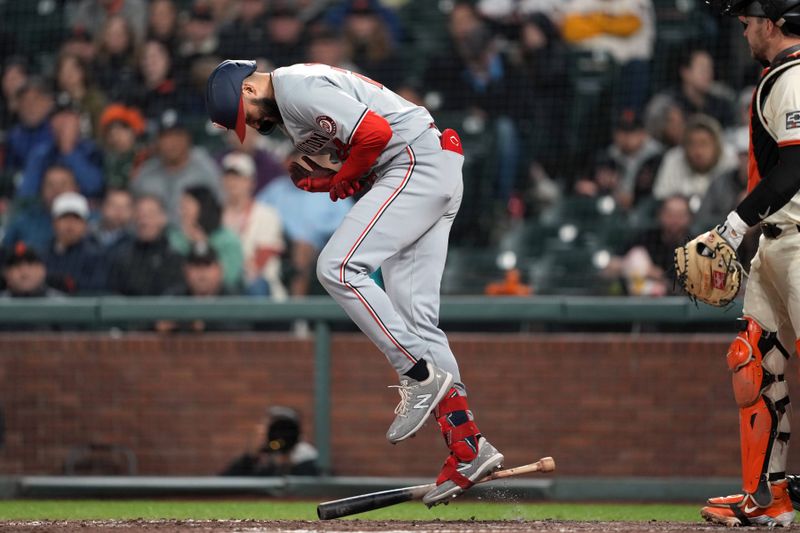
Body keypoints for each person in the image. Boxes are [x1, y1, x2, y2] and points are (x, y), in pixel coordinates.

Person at [206, 60, 504, 504]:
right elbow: (361, 147)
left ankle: (418, 375)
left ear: (248, 89)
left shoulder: (294, 89)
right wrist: (344, 175)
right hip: (430, 164)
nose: (250, 124)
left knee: (337, 267)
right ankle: (468, 446)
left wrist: (345, 177)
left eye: (242, 114)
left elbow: (375, 135)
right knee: (417, 324)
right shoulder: (293, 111)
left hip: (414, 162)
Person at [694, 0, 800, 527]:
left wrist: (731, 227)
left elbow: (796, 168)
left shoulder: (796, 75)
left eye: (748, 21)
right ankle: (769, 497)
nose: (743, 29)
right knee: (753, 362)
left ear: (773, 22)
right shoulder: (779, 76)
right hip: (778, 242)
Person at [131, 111, 221, 223]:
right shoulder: (145, 174)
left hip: (195, 236)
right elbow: (132, 214)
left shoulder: (205, 168)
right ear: (157, 142)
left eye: (177, 135)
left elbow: (221, 205)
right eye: (165, 137)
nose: (171, 143)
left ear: (187, 138)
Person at [220, 153, 286, 298]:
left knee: (256, 285)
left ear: (251, 182)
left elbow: (261, 259)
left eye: (239, 177)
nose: (233, 182)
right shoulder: (215, 215)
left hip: (261, 288)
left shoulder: (267, 214)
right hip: (222, 286)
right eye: (229, 177)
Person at [603, 195, 692, 296]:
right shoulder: (645, 238)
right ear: (660, 215)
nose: (674, 220)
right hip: (638, 303)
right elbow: (609, 268)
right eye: (669, 214)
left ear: (689, 218)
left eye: (680, 215)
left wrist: (661, 278)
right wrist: (638, 268)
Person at [168, 185, 244, 291]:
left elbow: (230, 277)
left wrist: (202, 245)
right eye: (181, 207)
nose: (181, 212)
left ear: (203, 207)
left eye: (186, 206)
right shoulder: (175, 238)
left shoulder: (228, 240)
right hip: (184, 295)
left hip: (223, 297)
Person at [107, 195, 184, 296]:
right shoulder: (121, 258)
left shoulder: (175, 259)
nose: (144, 221)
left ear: (163, 218)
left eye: (150, 215)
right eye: (140, 215)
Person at [652, 114, 738, 202]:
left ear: (716, 145)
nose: (698, 151)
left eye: (704, 144)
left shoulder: (731, 157)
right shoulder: (673, 158)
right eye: (692, 144)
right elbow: (660, 196)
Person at [221, 406, 320, 476]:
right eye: (275, 430)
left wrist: (288, 460)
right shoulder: (259, 462)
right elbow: (224, 484)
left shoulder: (310, 461)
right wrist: (251, 457)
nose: (280, 435)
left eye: (286, 430)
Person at [44, 192, 107, 294]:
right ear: (54, 223)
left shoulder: (96, 256)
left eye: (76, 218)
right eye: (64, 218)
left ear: (85, 224)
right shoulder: (42, 253)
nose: (70, 224)